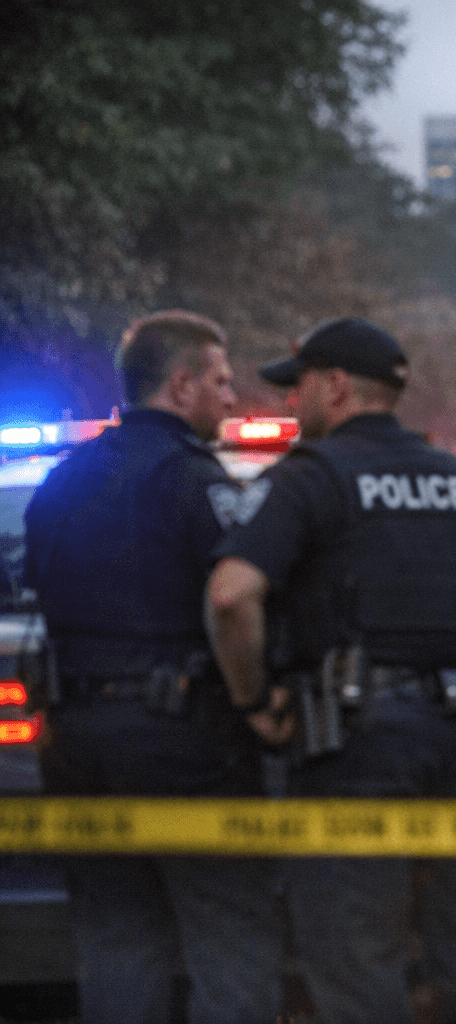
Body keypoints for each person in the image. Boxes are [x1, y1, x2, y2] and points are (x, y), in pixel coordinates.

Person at [205, 317, 456, 1024]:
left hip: (356, 743)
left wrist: (254, 698)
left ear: (336, 386)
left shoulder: (313, 478)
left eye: (300, 387)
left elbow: (231, 595)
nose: (293, 404)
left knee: (355, 955)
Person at [23, 310, 285, 1024]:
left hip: (75, 739)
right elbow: (234, 604)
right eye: (222, 381)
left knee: (116, 940)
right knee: (229, 933)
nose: (232, 398)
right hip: (182, 739)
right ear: (181, 384)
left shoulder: (61, 482)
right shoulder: (190, 480)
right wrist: (255, 698)